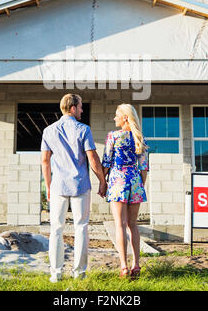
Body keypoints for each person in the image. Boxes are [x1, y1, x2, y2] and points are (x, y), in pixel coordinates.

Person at [41, 93, 106, 283]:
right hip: (80, 185)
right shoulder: (84, 129)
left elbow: (45, 161)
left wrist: (48, 186)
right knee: (81, 228)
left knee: (56, 229)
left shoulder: (48, 130)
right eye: (80, 107)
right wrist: (102, 180)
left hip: (58, 185)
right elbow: (93, 159)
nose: (82, 110)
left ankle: (56, 273)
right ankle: (79, 273)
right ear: (72, 108)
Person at [102, 104, 149, 279]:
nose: (114, 118)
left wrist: (102, 182)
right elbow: (144, 167)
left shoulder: (113, 136)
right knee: (133, 225)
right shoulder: (140, 138)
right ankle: (136, 265)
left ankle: (123, 266)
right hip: (135, 181)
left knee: (120, 225)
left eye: (117, 115)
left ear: (125, 118)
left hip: (117, 181)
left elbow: (106, 163)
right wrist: (139, 185)